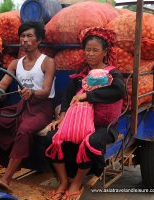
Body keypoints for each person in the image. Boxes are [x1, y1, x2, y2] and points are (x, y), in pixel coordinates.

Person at [45, 27, 125, 200]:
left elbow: (118, 91)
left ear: (104, 52)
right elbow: (67, 97)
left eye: (95, 50)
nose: (90, 54)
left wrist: (88, 95)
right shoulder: (82, 74)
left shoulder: (112, 73)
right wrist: (62, 117)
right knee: (52, 137)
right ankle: (64, 181)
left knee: (91, 141)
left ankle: (77, 182)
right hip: (77, 123)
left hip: (103, 126)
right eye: (87, 50)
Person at [0, 21, 56, 191]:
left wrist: (32, 93)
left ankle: (6, 179)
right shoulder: (15, 63)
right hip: (21, 106)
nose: (25, 40)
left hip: (42, 108)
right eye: (22, 36)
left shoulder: (47, 62)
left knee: (24, 130)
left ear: (39, 40)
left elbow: (47, 90)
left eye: (29, 36)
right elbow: (1, 88)